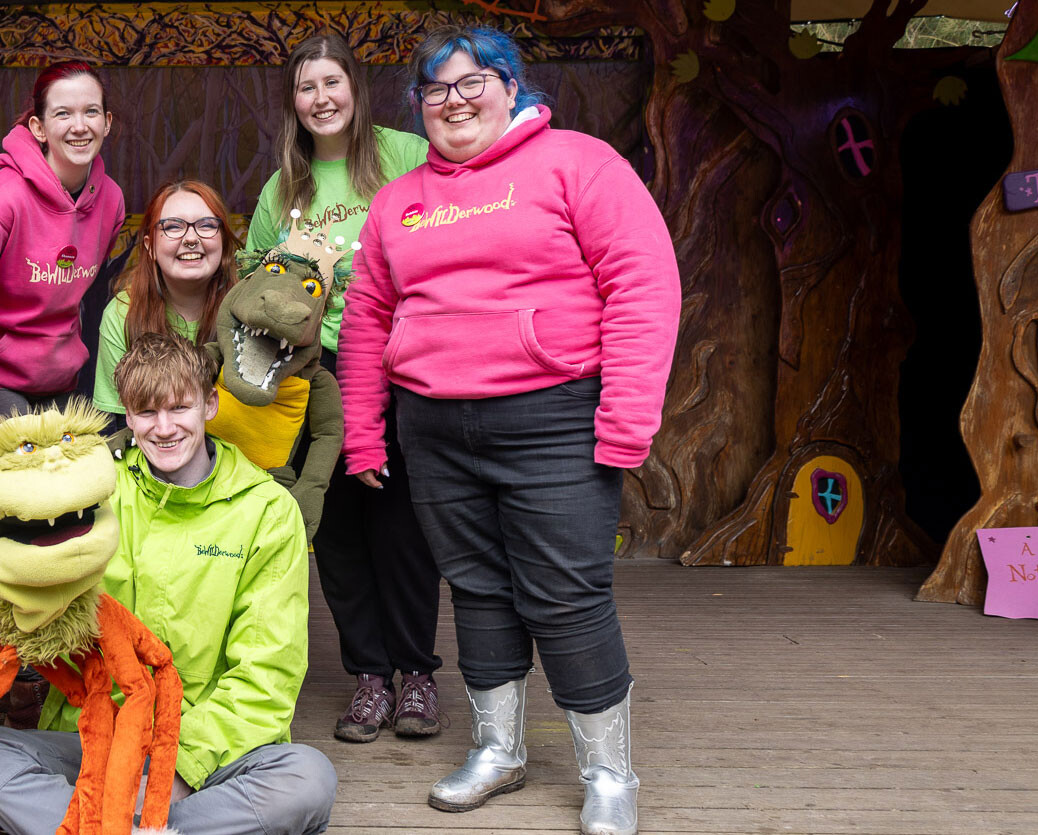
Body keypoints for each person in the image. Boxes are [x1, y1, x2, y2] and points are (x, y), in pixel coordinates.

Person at [337, 25, 680, 835]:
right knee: (478, 588)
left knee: (565, 595)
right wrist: (363, 433)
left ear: (512, 85)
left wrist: (626, 422)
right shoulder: (397, 201)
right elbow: (366, 318)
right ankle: (499, 750)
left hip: (553, 420)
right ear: (418, 105)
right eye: (435, 88)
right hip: (433, 427)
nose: (453, 101)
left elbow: (643, 283)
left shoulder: (579, 164)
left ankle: (609, 773)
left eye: (473, 82)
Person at [0, 332, 336, 835]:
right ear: (128, 417)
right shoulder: (92, 499)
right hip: (94, 739)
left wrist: (174, 769)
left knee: (309, 778)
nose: (164, 428)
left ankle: (97, 825)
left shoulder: (267, 511)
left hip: (210, 751)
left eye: (179, 408)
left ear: (209, 404)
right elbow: (40, 613)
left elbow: (268, 673)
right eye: (146, 412)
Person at [245, 32, 444, 744]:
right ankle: (368, 675)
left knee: (401, 521)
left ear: (355, 88)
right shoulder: (284, 187)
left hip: (397, 361)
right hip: (312, 369)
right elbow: (256, 277)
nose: (321, 98)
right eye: (307, 87)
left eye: (332, 82)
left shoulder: (408, 155)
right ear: (293, 102)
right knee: (335, 528)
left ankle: (416, 672)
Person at [0, 61, 127, 418]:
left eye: (91, 112)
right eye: (63, 114)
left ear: (106, 122)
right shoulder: (1, 201)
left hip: (62, 376)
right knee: (22, 452)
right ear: (39, 128)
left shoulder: (112, 201)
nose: (79, 126)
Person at [90, 180, 241, 414]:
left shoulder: (247, 310)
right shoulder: (122, 315)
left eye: (206, 225)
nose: (191, 238)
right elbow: (116, 423)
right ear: (150, 246)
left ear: (223, 241)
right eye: (173, 227)